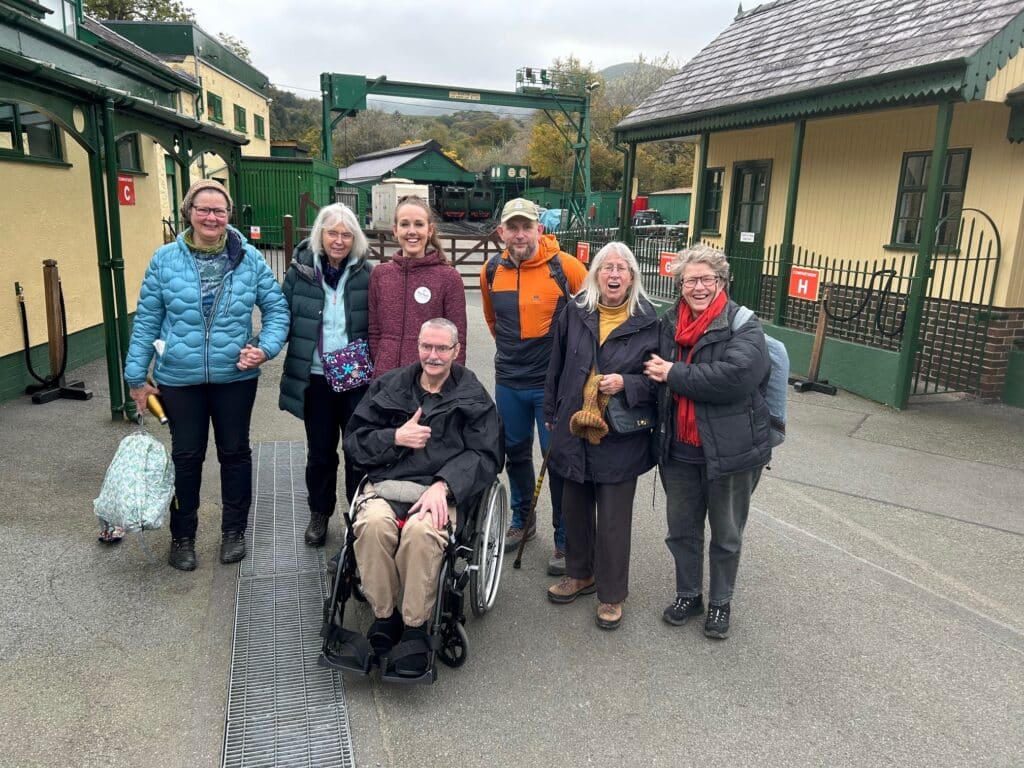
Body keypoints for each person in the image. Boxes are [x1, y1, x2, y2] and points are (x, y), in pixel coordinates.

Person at [125, 179, 289, 571]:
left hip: (235, 378)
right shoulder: (164, 259)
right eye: (203, 209)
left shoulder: (249, 258)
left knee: (234, 455)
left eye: (219, 210)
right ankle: (182, 536)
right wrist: (136, 378)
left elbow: (277, 310)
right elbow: (147, 320)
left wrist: (264, 348)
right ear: (189, 213)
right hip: (179, 380)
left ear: (228, 215)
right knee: (186, 457)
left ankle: (234, 531)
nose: (211, 217)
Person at [343, 318, 503, 677]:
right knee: (370, 525)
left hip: (437, 491)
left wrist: (444, 485)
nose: (433, 356)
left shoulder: (472, 396)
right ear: (417, 348)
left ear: (456, 351)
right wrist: (395, 437)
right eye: (426, 347)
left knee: (420, 533)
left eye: (441, 348)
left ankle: (415, 626)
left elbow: (487, 455)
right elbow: (355, 441)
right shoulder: (389, 386)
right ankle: (385, 618)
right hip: (387, 485)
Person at [642, 243, 772, 640]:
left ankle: (720, 602)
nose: (698, 287)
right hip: (679, 450)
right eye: (689, 280)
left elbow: (736, 377)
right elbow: (647, 369)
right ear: (680, 284)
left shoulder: (743, 325)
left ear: (722, 282)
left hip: (731, 452)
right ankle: (688, 594)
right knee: (681, 530)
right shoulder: (667, 325)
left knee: (726, 533)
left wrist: (674, 374)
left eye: (706, 279)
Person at [543, 242, 658, 630]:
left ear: (632, 276)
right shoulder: (575, 311)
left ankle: (611, 594)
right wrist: (550, 413)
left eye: (621, 268)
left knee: (612, 517)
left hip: (620, 433)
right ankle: (580, 573)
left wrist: (627, 382)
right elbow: (555, 364)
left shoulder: (648, 320)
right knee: (574, 504)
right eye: (607, 267)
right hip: (574, 424)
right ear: (595, 274)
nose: (614, 274)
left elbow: (658, 381)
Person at [480, 197, 587, 575]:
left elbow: (590, 318)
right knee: (514, 452)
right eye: (513, 227)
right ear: (502, 232)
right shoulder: (491, 270)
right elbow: (493, 323)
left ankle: (564, 538)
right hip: (509, 380)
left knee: (556, 459)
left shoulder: (566, 267)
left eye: (528, 226)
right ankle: (522, 520)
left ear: (539, 229)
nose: (520, 234)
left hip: (552, 386)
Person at [278, 203, 373, 548]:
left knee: (357, 450)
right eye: (332, 233)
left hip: (356, 380)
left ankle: (358, 515)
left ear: (355, 239)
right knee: (320, 452)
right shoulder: (300, 272)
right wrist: (259, 347)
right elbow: (281, 319)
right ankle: (320, 512)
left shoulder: (367, 273)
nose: (339, 240)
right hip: (315, 378)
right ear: (320, 234)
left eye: (346, 234)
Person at [368, 195, 466, 376]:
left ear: (430, 230)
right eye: (405, 224)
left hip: (428, 379)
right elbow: (374, 332)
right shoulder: (380, 274)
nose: (411, 231)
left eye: (419, 224)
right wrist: (380, 363)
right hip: (385, 378)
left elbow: (458, 338)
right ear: (395, 230)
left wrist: (451, 381)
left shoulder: (448, 278)